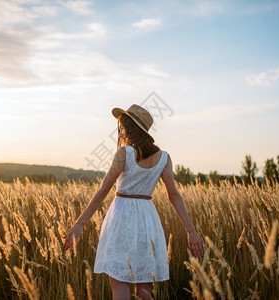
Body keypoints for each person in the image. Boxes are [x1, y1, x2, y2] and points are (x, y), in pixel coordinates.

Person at [63, 104, 204, 300]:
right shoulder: (164, 158)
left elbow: (104, 189)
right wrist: (191, 231)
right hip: (148, 220)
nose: (119, 131)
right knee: (144, 290)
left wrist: (80, 223)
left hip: (121, 219)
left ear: (129, 128)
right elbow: (174, 195)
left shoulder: (124, 153)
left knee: (120, 288)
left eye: (121, 126)